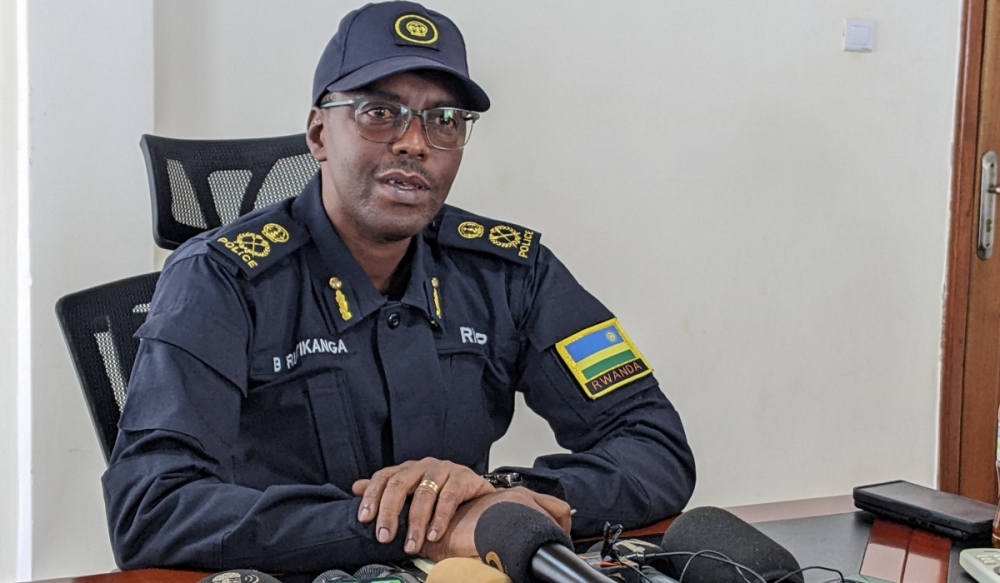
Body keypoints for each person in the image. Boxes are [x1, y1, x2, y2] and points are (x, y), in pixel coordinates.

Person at [103, 1, 696, 574]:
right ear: (318, 133)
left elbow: (655, 446)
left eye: (444, 121)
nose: (415, 142)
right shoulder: (219, 278)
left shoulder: (513, 271)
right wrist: (409, 523)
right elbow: (150, 509)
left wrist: (500, 500)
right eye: (380, 112)